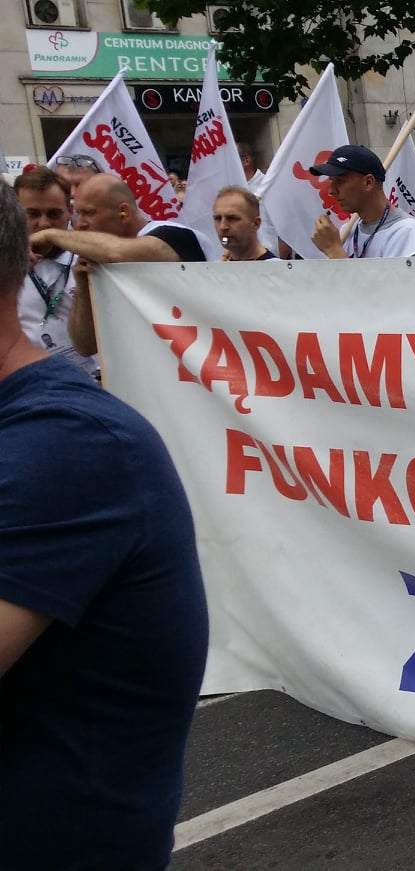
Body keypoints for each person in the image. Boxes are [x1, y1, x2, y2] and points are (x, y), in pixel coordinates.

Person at [0, 178, 209, 870]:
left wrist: (63, 240)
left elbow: (151, 259)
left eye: (78, 213)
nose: (73, 223)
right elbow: (87, 337)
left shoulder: (68, 445)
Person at [27, 174, 221, 357]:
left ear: (124, 212)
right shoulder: (98, 258)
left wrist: (51, 235)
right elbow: (85, 346)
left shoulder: (173, 234)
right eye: (78, 213)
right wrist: (83, 286)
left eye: (89, 213)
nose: (80, 224)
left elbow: (117, 252)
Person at [13, 167, 93, 374]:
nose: (44, 223)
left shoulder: (91, 255)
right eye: (32, 214)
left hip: (96, 380)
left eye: (54, 213)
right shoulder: (7, 265)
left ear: (69, 211)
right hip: (32, 382)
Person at [307, 145, 415, 259]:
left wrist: (334, 251)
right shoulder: (348, 231)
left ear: (368, 182)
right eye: (332, 181)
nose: (331, 190)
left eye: (340, 181)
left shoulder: (409, 233)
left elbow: (410, 282)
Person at [213, 185, 276, 261]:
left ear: (256, 223)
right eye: (218, 219)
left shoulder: (279, 267)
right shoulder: (213, 267)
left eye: (232, 218)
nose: (223, 227)